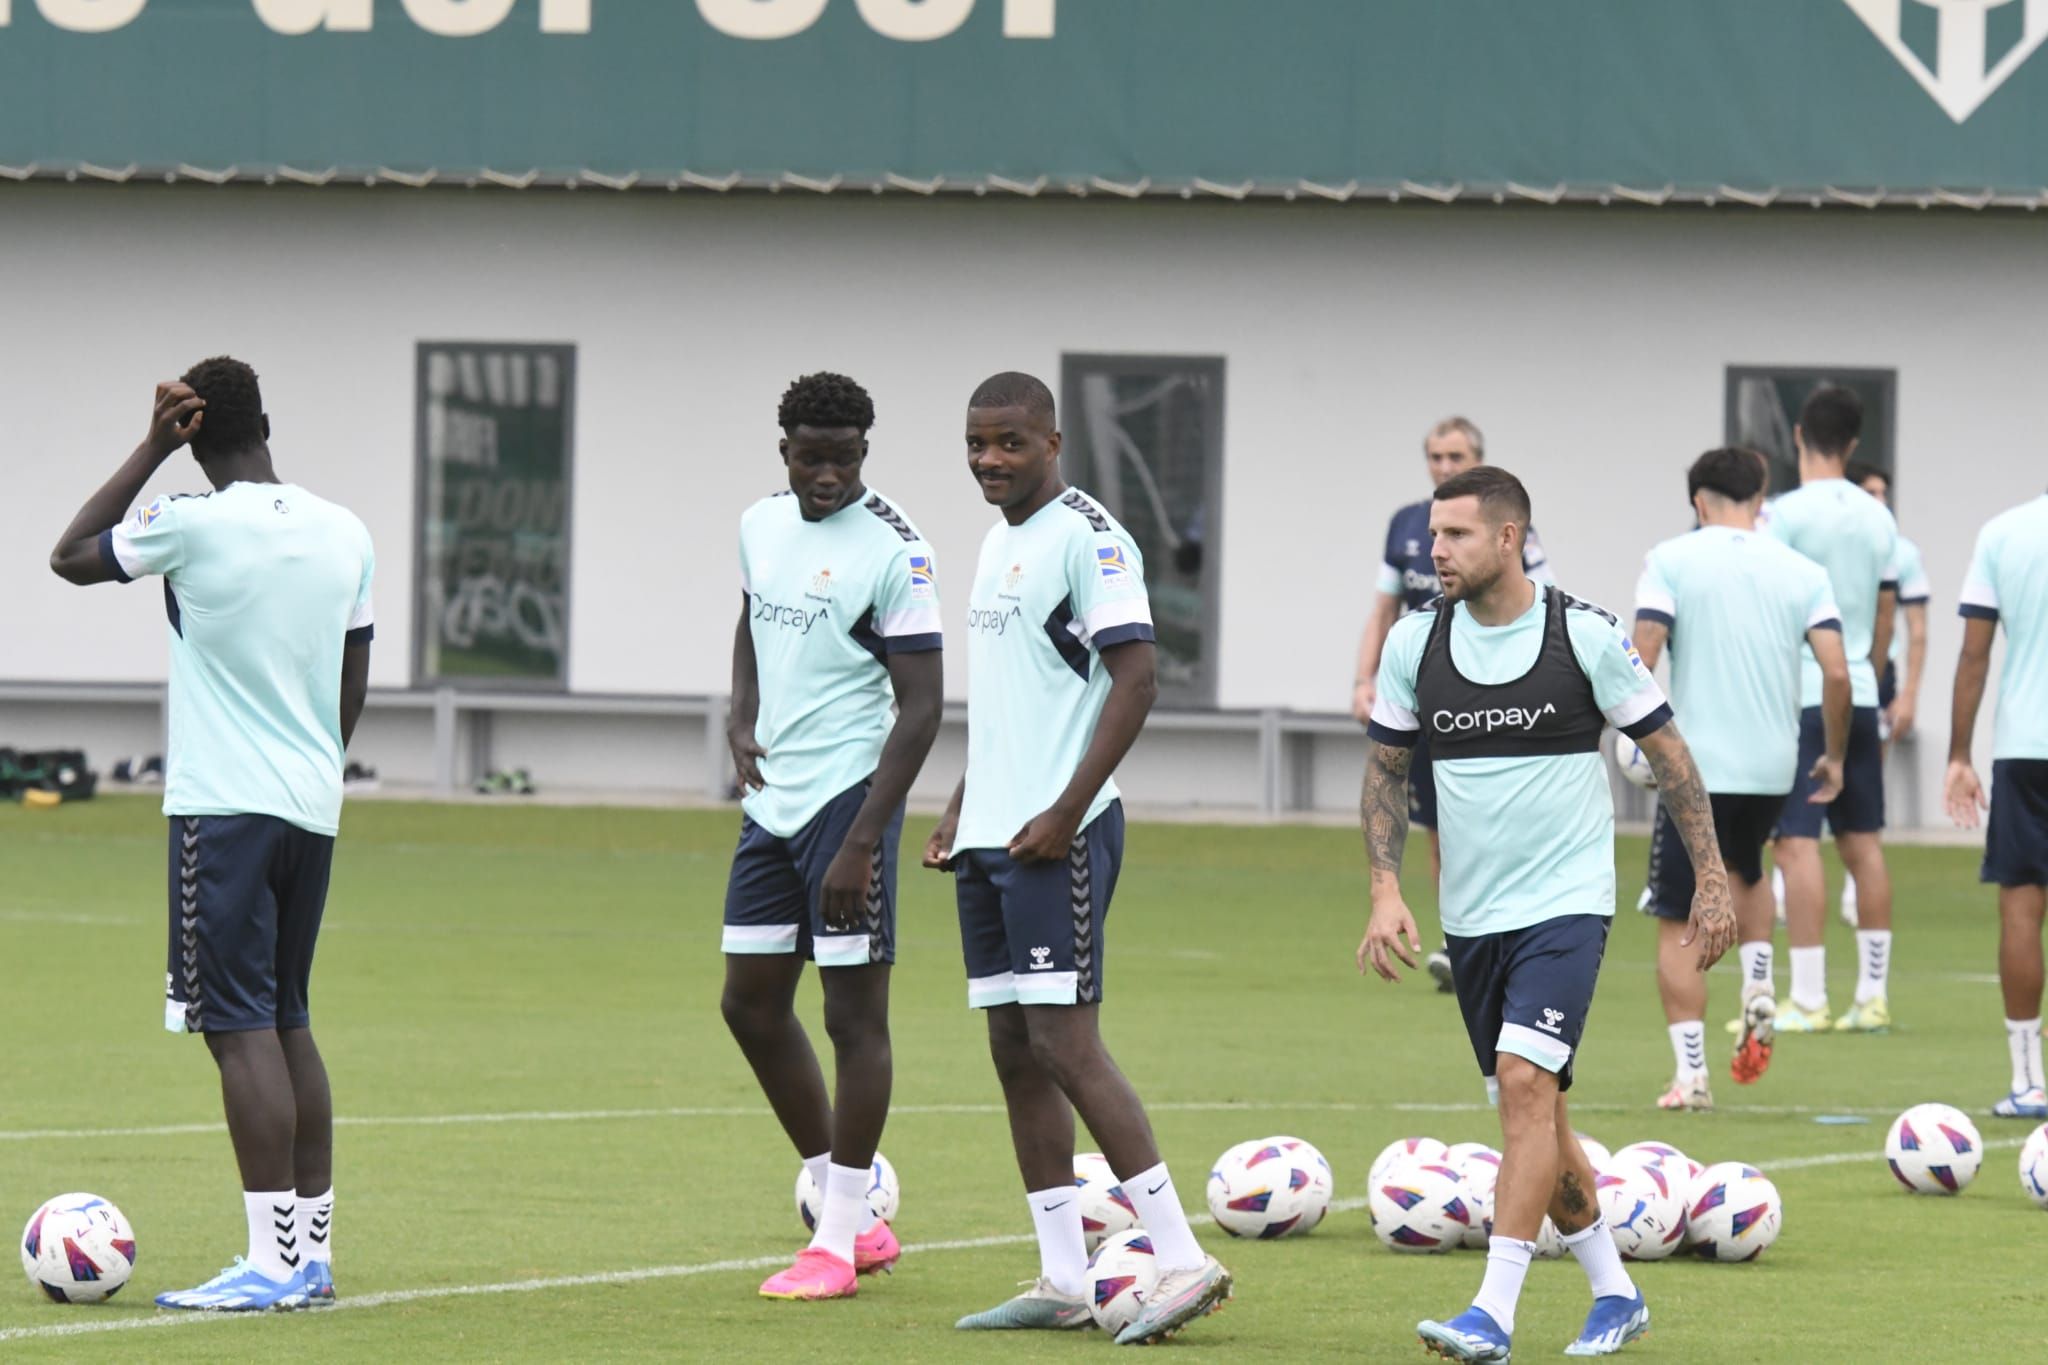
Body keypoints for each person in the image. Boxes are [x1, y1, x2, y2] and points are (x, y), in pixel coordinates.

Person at [1360, 466, 1733, 1362]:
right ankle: (1615, 1289)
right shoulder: (1415, 645)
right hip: (1473, 917)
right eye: (1432, 536)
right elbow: (1385, 772)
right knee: (1538, 1112)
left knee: (1526, 1086)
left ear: (1509, 537)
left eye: (1453, 536)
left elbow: (1671, 758)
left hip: (1567, 902)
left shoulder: (1587, 635)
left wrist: (1713, 876)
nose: (1434, 550)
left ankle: (1492, 1311)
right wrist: (1384, 887)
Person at [49, 359, 375, 1312]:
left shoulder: (186, 521)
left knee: (236, 1031)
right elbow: (355, 677)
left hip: (221, 808)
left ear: (191, 433)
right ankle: (309, 1252)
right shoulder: (345, 528)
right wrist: (311, 762)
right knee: (288, 1019)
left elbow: (69, 554)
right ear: (267, 421)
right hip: (310, 804)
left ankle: (270, 1264)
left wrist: (152, 449)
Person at [924, 372, 1231, 1345]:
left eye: (1009, 443)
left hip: (1060, 833)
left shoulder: (1089, 537)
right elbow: (1013, 698)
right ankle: (1064, 1276)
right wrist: (962, 804)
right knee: (1012, 1051)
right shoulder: (994, 539)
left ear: (1052, 441)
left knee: (1064, 1043)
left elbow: (1136, 680)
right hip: (994, 833)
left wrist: (1063, 810)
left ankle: (1180, 1257)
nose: (988, 460)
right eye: (976, 443)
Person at [721, 372, 945, 1301]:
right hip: (771, 803)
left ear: (865, 451)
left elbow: (924, 706)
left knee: (853, 1018)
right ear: (784, 448)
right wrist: (741, 713)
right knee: (749, 1004)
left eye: (845, 458)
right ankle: (841, 1192)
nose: (828, 474)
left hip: (847, 804)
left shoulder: (898, 551)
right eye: (812, 456)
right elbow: (750, 618)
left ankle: (838, 1242)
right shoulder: (758, 524)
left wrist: (863, 840)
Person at [1631, 449, 1850, 1112]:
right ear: (1761, 499)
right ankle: (1758, 981)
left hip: (1692, 765)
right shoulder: (1802, 570)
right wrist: (1833, 755)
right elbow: (1837, 672)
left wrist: (1631, 737)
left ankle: (1692, 1073)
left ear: (1699, 501)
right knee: (1746, 870)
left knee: (1677, 914)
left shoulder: (1670, 558)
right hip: (1772, 763)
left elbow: (1640, 651)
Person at [1350, 417, 1552, 994]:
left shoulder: (1509, 531)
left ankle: (1513, 927)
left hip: (1494, 691)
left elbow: (1547, 603)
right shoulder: (1407, 525)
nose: (1444, 465)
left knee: (1496, 817)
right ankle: (1457, 938)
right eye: (1436, 456)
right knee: (1440, 826)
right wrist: (1364, 679)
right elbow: (1382, 609)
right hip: (1429, 690)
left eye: (1455, 455)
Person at [1764, 386, 1900, 1035]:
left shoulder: (1782, 513)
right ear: (1852, 443)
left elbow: (1770, 601)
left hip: (1802, 690)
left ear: (1798, 435)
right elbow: (1885, 606)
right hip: (1863, 687)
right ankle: (1872, 995)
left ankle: (1811, 997)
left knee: (1796, 842)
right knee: (1863, 844)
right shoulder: (1880, 517)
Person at [1945, 486, 2048, 1120]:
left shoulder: (2005, 532)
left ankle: (2027, 1081)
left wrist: (1959, 753)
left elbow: (1974, 654)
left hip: (2025, 746)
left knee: (2021, 910)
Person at [1839, 463, 1930, 923]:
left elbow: (1916, 629)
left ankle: (1856, 890)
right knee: (1802, 781)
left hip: (1875, 674)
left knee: (1865, 780)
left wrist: (1908, 693)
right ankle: (1782, 883)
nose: (1881, 501)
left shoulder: (1902, 552)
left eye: (1884, 493)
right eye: (1871, 492)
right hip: (1819, 671)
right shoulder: (1824, 544)